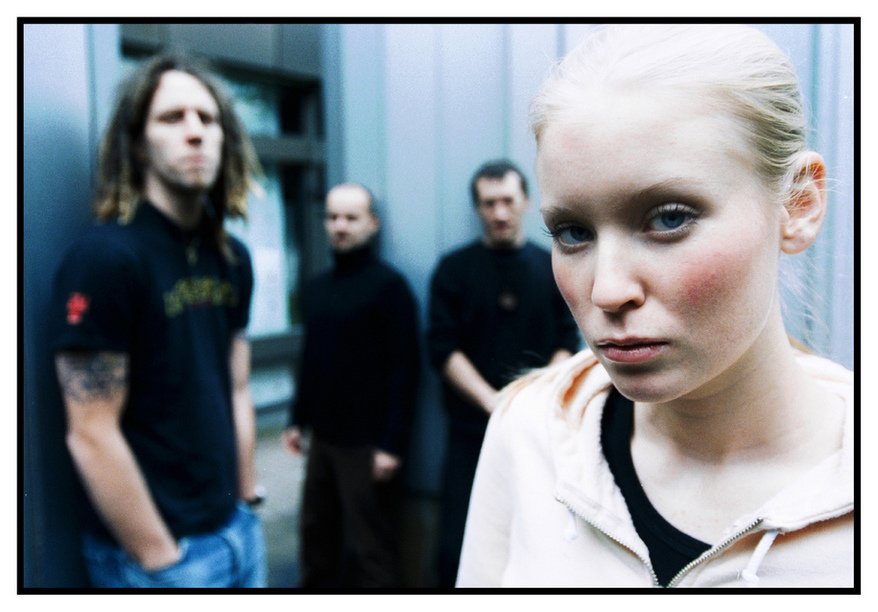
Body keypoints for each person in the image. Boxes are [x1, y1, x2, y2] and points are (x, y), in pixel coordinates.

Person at [456, 24, 854, 588]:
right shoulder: (530, 433)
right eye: (572, 232)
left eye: (669, 218)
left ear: (798, 203)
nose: (606, 290)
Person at [52, 53, 267, 588]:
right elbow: (91, 431)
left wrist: (245, 498)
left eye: (207, 118)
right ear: (138, 143)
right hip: (166, 559)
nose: (195, 132)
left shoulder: (231, 257)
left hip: (238, 532)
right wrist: (160, 559)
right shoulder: (106, 258)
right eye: (172, 118)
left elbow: (237, 386)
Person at [428, 159, 581, 587]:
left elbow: (568, 340)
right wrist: (494, 401)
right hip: (470, 433)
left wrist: (528, 399)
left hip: (539, 430)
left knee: (537, 538)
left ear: (526, 202)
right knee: (457, 544)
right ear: (477, 207)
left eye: (508, 201)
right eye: (489, 203)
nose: (499, 212)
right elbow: (442, 348)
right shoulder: (454, 269)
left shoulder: (552, 265)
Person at [283, 183, 420, 588]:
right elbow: (312, 358)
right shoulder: (317, 287)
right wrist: (296, 419)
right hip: (323, 439)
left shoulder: (389, 288)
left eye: (350, 217)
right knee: (316, 538)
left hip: (367, 445)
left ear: (372, 223)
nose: (340, 226)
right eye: (332, 217)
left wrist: (392, 444)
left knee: (370, 550)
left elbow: (405, 369)